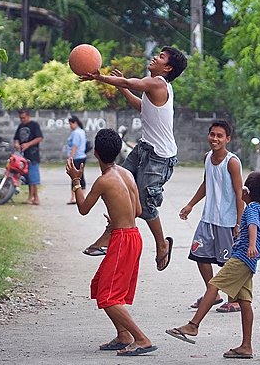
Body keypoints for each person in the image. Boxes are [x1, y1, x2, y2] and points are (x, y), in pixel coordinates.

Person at [79, 46, 187, 271]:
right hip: (144, 149)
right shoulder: (153, 88)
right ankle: (109, 235)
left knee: (145, 206)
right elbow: (142, 107)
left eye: (161, 57)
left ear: (167, 68)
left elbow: (130, 83)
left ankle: (162, 244)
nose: (155, 57)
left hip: (159, 157)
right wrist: (122, 90)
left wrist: (100, 77)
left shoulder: (158, 83)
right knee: (116, 182)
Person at [66, 128, 157, 356]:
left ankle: (142, 339)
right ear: (117, 152)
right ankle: (123, 335)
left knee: (108, 297)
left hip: (123, 239)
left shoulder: (103, 181)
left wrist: (76, 181)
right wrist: (117, 218)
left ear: (95, 153)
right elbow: (137, 210)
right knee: (99, 286)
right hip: (133, 235)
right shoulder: (127, 174)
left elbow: (83, 209)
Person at [166, 172, 260, 359]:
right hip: (249, 262)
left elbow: (253, 225)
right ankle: (246, 346)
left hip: (241, 258)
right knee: (245, 301)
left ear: (246, 192)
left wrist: (250, 245)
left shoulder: (251, 209)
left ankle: (193, 325)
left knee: (213, 285)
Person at [179, 120, 244, 314]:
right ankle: (212, 293)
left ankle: (235, 299)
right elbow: (207, 183)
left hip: (227, 220)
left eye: (219, 136)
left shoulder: (232, 162)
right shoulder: (207, 157)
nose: (215, 139)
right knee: (200, 254)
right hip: (208, 218)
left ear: (227, 139)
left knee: (229, 261)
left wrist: (239, 223)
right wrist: (190, 205)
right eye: (212, 134)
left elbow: (239, 193)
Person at [13, 109, 43, 205]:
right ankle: (32, 197)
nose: (22, 120)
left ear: (28, 116)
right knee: (29, 178)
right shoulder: (20, 126)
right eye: (20, 118)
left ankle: (34, 197)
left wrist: (28, 144)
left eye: (24, 118)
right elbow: (16, 138)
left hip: (33, 155)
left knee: (33, 177)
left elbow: (39, 138)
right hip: (22, 156)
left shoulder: (34, 125)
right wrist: (17, 144)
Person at [66, 115, 88, 205]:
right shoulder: (82, 132)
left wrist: (70, 158)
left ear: (75, 123)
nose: (70, 126)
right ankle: (82, 196)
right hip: (82, 156)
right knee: (81, 176)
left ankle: (74, 197)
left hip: (76, 157)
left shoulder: (76, 133)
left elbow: (75, 146)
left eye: (70, 124)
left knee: (74, 177)